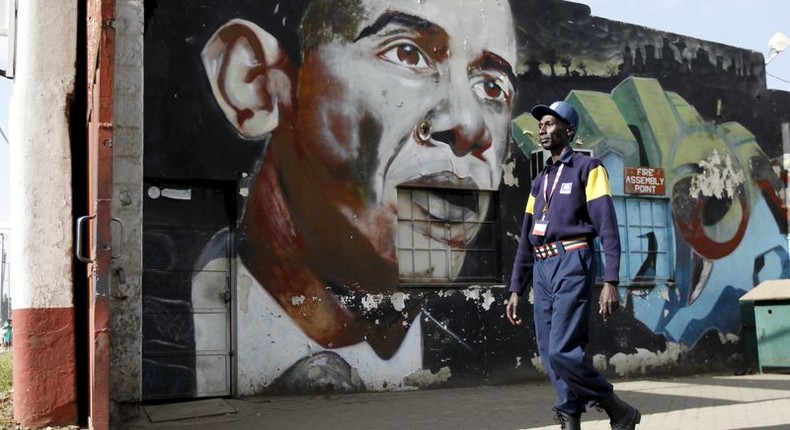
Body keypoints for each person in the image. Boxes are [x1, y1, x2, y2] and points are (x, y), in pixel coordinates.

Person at [200, 0, 517, 360]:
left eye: (492, 87)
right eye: (407, 54)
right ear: (255, 85)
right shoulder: (166, 348)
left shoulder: (473, 359)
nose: (470, 125)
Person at [506, 101, 641, 430]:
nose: (543, 129)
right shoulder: (540, 182)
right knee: (549, 352)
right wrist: (516, 288)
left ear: (569, 130)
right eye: (541, 125)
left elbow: (607, 226)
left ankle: (616, 407)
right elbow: (526, 238)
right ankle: (570, 418)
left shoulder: (588, 168)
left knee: (564, 350)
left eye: (550, 124)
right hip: (542, 268)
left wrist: (611, 280)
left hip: (573, 260)